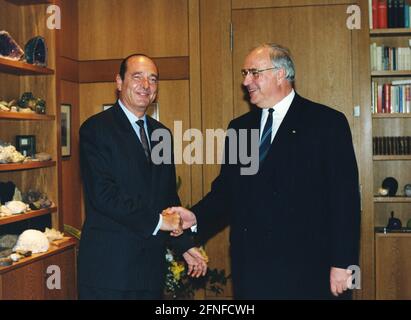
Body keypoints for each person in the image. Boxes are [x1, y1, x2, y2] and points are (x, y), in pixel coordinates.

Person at [170, 44, 361, 299]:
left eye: (254, 72)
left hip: (309, 270)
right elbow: (227, 192)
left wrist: (343, 264)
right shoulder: (240, 128)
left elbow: (344, 200)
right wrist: (195, 217)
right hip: (252, 271)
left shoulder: (326, 123)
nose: (246, 81)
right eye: (244, 73)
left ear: (281, 74)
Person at [78, 54, 207, 300]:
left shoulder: (161, 135)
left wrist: (185, 245)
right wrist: (159, 222)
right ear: (119, 82)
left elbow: (168, 198)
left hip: (149, 272)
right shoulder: (96, 129)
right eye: (137, 77)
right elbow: (103, 195)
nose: (146, 85)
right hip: (109, 273)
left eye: (153, 79)